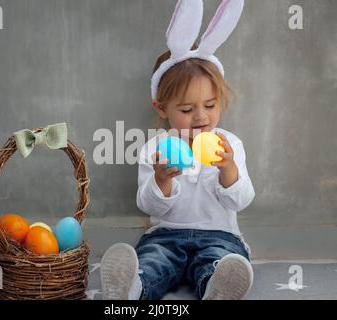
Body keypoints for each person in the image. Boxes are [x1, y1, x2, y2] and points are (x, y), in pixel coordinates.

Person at [100, 0, 254, 300]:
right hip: (166, 236)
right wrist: (161, 180)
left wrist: (229, 170)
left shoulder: (230, 145)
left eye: (210, 105)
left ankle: (216, 286)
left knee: (221, 258)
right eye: (186, 109)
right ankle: (132, 287)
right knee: (153, 260)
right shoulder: (156, 149)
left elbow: (242, 200)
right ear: (161, 107)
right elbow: (149, 206)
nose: (201, 117)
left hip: (218, 235)